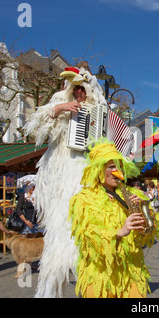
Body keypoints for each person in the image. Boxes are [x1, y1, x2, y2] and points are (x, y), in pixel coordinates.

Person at [24, 67, 108, 297]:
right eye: (76, 88)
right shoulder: (60, 101)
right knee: (59, 228)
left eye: (83, 89)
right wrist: (61, 108)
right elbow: (36, 123)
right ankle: (52, 285)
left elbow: (101, 141)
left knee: (83, 228)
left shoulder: (96, 110)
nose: (79, 93)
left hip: (82, 171)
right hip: (61, 171)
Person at [68, 139, 159, 298]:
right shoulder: (83, 199)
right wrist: (119, 232)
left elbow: (149, 233)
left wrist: (145, 218)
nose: (116, 171)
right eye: (111, 166)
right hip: (100, 274)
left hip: (131, 271)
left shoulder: (133, 195)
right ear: (99, 169)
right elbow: (87, 239)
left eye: (119, 166)